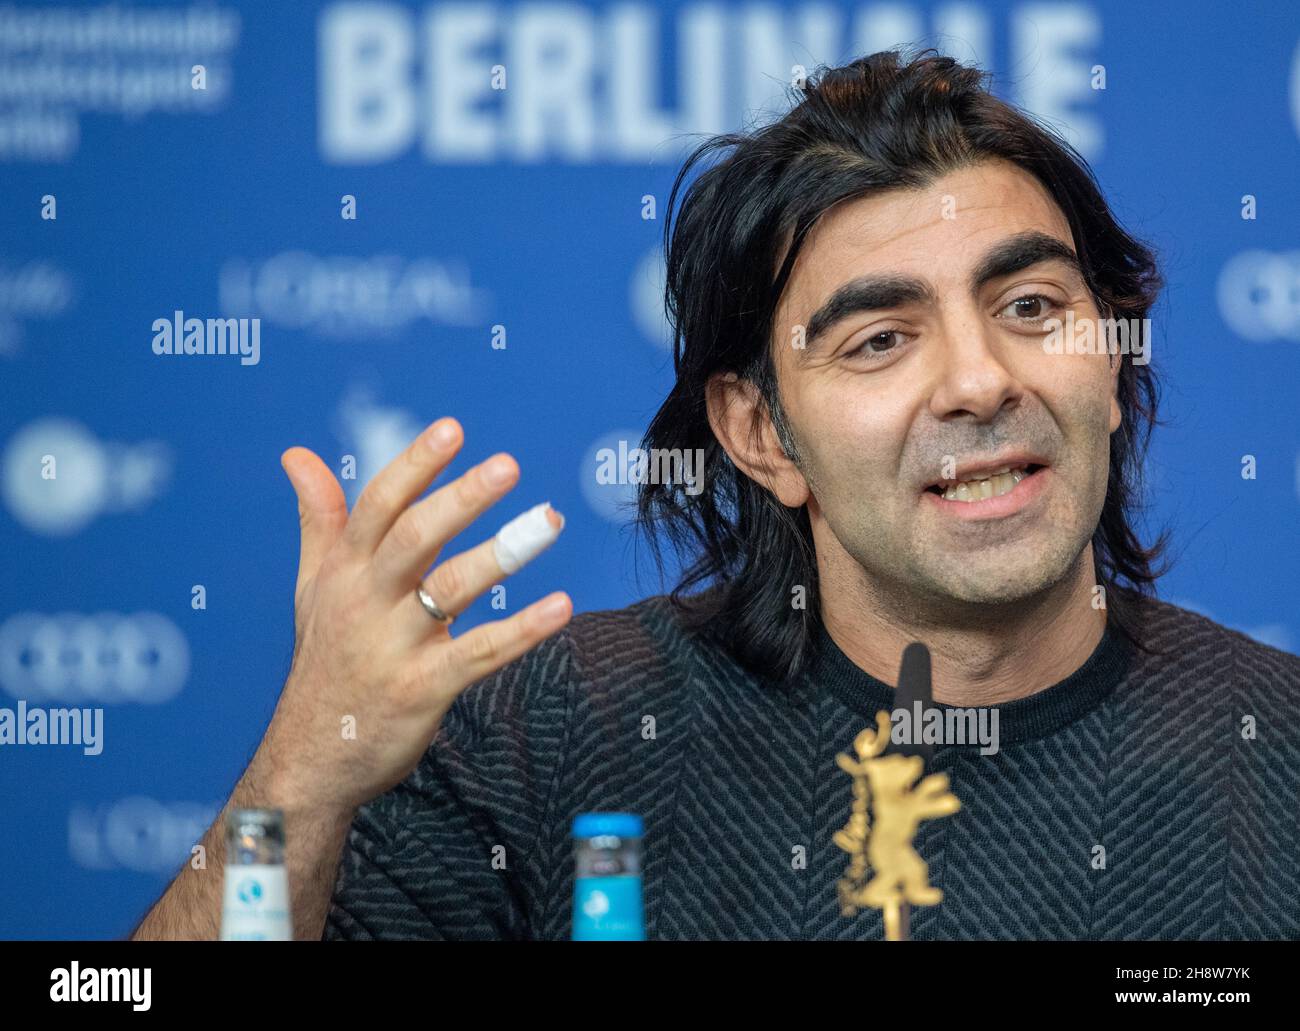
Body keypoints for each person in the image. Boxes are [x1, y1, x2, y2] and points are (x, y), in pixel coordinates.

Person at [131, 49, 1300, 941]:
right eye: (881, 339)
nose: (980, 377)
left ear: (1113, 359)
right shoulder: (549, 737)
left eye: (1033, 307)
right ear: (757, 431)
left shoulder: (1278, 751)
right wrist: (303, 771)